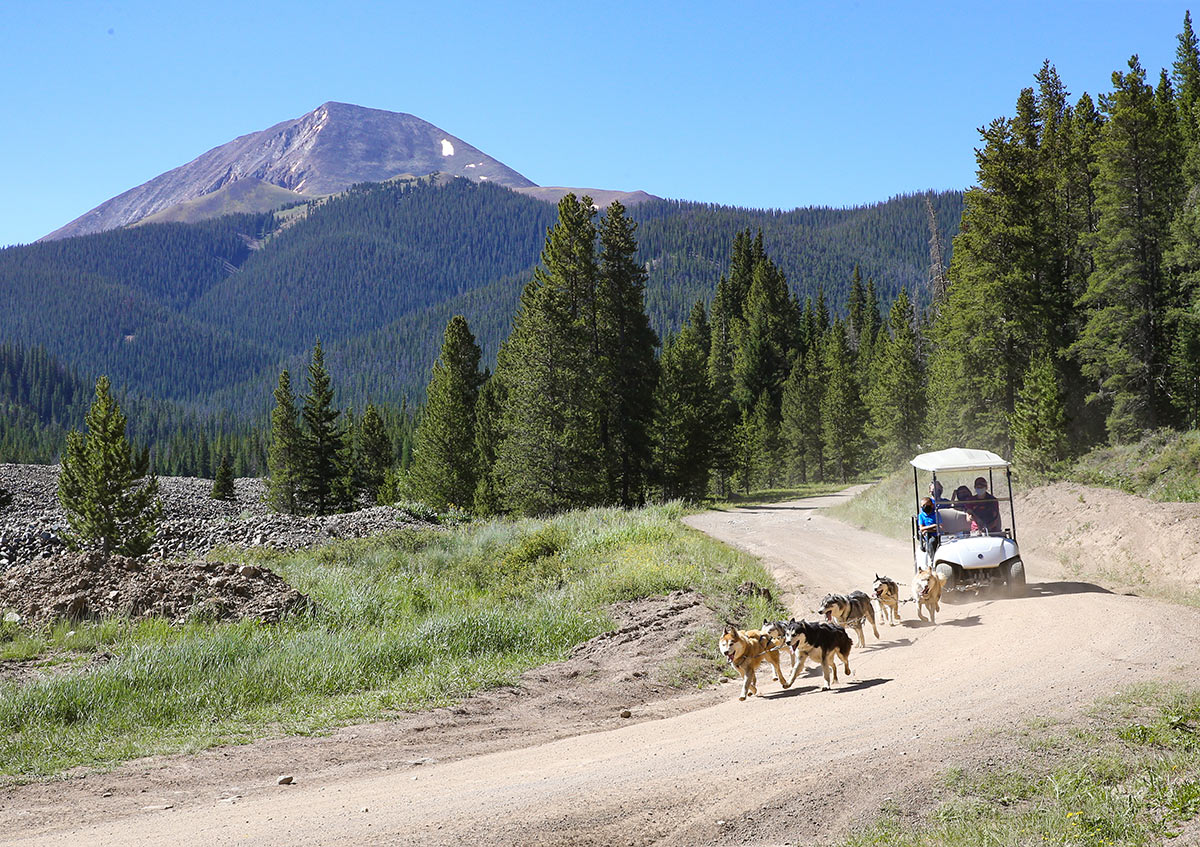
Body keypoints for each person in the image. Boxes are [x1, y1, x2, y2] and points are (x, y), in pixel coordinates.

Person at [916, 496, 940, 564]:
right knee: (932, 541)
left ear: (932, 505)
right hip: (928, 536)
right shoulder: (921, 516)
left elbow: (940, 527)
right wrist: (933, 526)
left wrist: (928, 529)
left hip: (938, 534)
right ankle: (933, 561)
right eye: (923, 505)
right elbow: (921, 528)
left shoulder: (936, 514)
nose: (925, 507)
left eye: (927, 505)